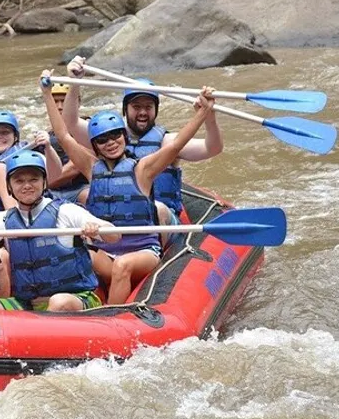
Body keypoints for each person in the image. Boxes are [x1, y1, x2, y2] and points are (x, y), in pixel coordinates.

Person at [42, 68, 216, 304]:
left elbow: (175, 146)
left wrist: (203, 113)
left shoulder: (143, 169)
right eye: (103, 140)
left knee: (122, 266)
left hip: (142, 251)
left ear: (124, 136)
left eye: (116, 136)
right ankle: (78, 305)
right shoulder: (92, 168)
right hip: (107, 249)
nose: (111, 143)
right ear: (95, 145)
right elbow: (63, 135)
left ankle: (112, 316)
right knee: (72, 253)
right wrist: (46, 93)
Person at [63, 56, 224, 245]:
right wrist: (75, 82)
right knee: (86, 195)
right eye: (136, 107)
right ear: (125, 109)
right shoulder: (108, 136)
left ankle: (157, 257)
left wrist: (209, 116)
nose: (142, 112)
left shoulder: (166, 141)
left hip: (161, 221)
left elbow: (212, 148)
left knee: (158, 208)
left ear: (156, 110)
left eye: (148, 107)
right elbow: (70, 123)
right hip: (118, 218)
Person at [0, 151, 119, 312]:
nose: (27, 186)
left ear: (44, 183)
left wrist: (97, 229)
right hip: (28, 303)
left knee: (59, 303)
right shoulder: (3, 220)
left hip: (77, 297)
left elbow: (115, 236)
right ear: (9, 186)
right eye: (19, 181)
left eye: (34, 179)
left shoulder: (66, 211)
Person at [0, 109, 63, 184]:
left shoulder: (31, 156)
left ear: (15, 137)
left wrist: (48, 148)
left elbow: (55, 176)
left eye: (5, 132)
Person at [45, 83, 91, 204]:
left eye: (64, 101)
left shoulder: (86, 129)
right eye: (55, 101)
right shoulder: (46, 135)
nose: (59, 107)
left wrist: (41, 184)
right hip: (52, 190)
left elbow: (74, 168)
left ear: (77, 103)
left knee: (88, 196)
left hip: (81, 188)